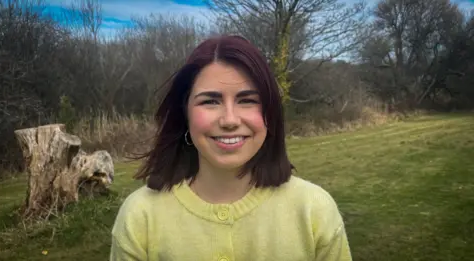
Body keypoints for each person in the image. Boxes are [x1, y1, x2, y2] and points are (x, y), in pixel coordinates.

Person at [110, 35, 352, 261]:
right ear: (185, 113)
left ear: (270, 113)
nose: (230, 120)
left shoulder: (314, 211)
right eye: (210, 101)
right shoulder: (139, 217)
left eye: (247, 100)